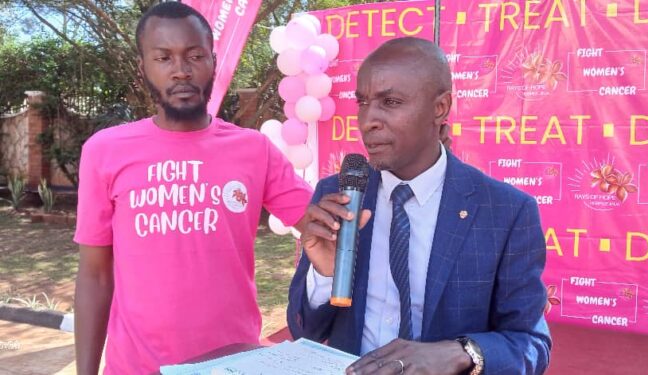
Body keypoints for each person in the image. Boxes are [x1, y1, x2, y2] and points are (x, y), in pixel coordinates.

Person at [288, 37, 551, 375]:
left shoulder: (506, 212)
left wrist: (460, 353)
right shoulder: (337, 196)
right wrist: (324, 276)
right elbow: (303, 331)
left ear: (440, 108)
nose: (368, 120)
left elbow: (531, 343)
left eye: (391, 101)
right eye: (363, 102)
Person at [73, 3, 312, 373]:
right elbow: (94, 274)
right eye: (163, 57)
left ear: (213, 62)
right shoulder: (104, 151)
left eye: (195, 55)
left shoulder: (254, 149)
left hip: (232, 364)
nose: (181, 71)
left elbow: (318, 225)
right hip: (135, 367)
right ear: (144, 68)